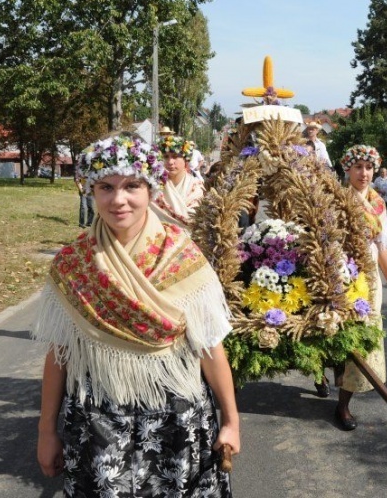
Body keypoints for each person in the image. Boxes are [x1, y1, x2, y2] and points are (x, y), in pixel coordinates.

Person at [34, 132, 240, 497]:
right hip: (99, 422)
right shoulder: (74, 264)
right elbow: (60, 353)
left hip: (176, 418)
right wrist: (46, 431)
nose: (118, 200)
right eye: (106, 187)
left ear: (151, 189)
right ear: (91, 191)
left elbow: (210, 347)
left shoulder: (182, 256)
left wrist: (232, 421)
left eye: (132, 186)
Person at [330, 145, 387, 431]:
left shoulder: (378, 203)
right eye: (358, 167)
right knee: (335, 333)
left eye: (369, 168)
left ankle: (343, 404)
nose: (364, 173)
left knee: (361, 338)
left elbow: (381, 247)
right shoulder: (337, 199)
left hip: (369, 279)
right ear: (347, 169)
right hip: (341, 275)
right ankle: (323, 375)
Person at [152, 134, 207, 227]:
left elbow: (196, 219)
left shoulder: (196, 187)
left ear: (185, 159)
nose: (170, 162)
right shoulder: (155, 186)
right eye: (166, 156)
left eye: (175, 156)